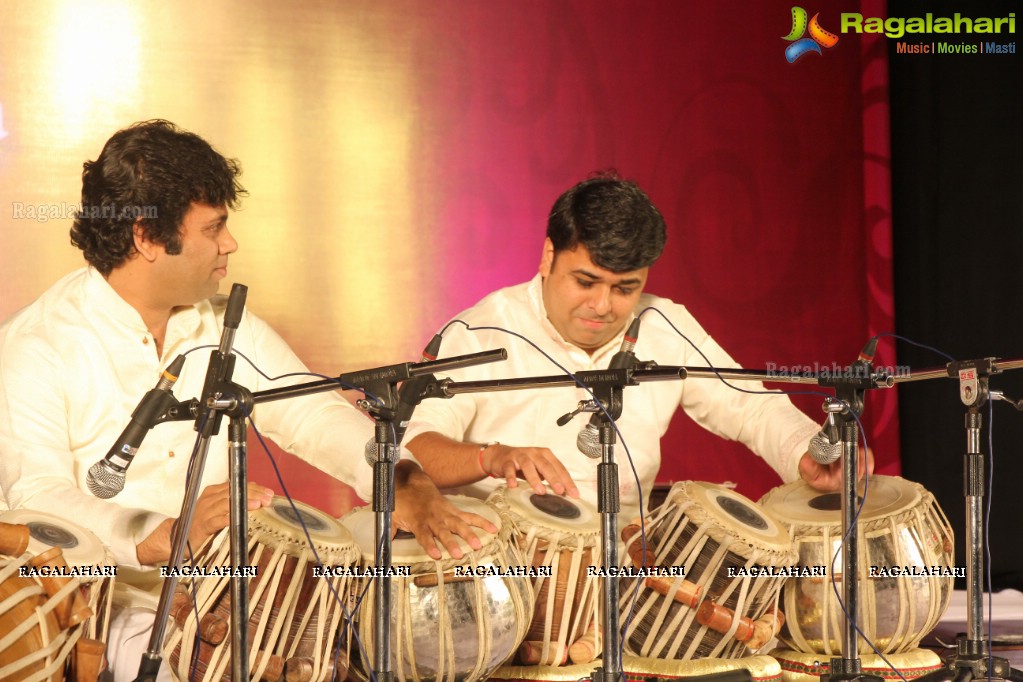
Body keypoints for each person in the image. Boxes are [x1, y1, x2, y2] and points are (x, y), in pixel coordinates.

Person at [0, 120, 492, 680]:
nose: (229, 244)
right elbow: (35, 496)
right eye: (214, 228)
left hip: (222, 587)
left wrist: (400, 476)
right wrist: (159, 533)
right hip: (96, 605)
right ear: (146, 237)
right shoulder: (36, 345)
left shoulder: (222, 324)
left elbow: (308, 409)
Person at [404, 173, 870, 519]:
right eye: (585, 281)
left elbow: (749, 405)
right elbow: (414, 449)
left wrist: (803, 452)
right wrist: (492, 456)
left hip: (622, 564)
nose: (603, 305)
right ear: (549, 256)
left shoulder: (663, 323)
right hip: (504, 570)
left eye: (625, 288)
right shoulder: (481, 331)